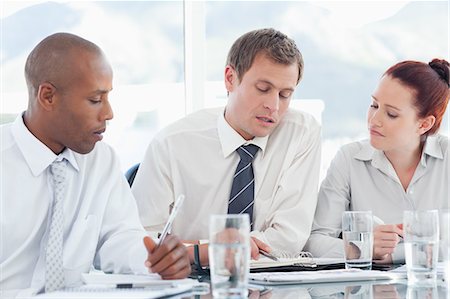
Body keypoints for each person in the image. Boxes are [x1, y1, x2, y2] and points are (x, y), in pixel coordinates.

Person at [0, 33, 190, 297]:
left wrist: (155, 258)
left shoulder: (102, 160)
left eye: (108, 97)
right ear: (48, 96)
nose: (108, 113)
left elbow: (119, 237)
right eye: (95, 100)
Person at [132, 28, 321, 265]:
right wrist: (213, 251)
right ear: (230, 78)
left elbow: (289, 237)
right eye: (263, 89)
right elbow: (141, 240)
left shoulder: (301, 132)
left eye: (285, 95)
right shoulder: (172, 144)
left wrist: (214, 249)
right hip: (188, 281)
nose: (273, 106)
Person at [305, 59, 450, 264]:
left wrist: (392, 255)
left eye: (391, 114)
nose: (374, 120)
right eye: (374, 105)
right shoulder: (349, 159)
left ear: (424, 124)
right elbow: (314, 241)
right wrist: (364, 247)